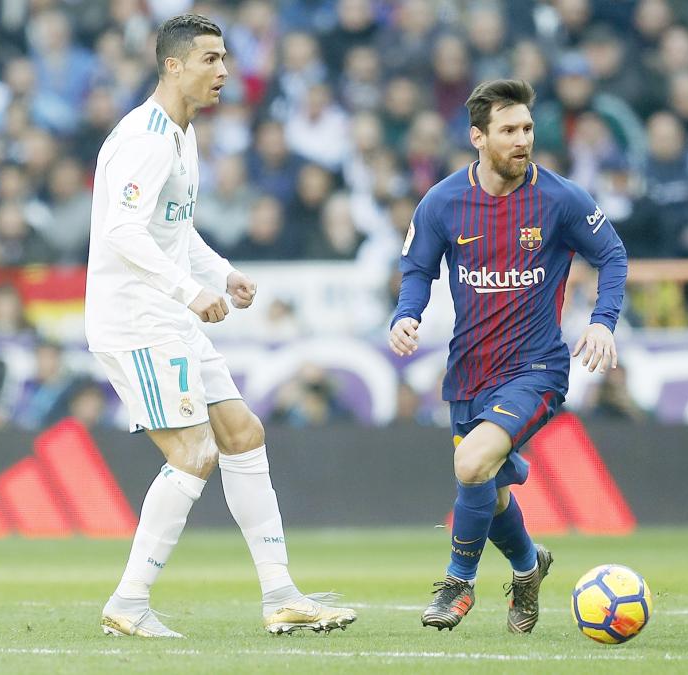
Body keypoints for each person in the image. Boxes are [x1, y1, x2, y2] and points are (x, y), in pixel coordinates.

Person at [85, 15, 355, 639]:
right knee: (193, 452)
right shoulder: (146, 139)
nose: (224, 72)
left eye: (226, 59)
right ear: (173, 65)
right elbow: (123, 232)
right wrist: (189, 289)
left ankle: (281, 594)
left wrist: (221, 272)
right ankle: (128, 602)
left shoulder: (184, 135)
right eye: (210, 59)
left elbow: (172, 227)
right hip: (136, 318)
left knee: (241, 432)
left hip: (167, 313)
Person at [388, 79, 627, 633]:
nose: (522, 140)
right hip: (469, 373)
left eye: (527, 129)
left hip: (536, 369)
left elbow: (611, 255)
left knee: (471, 464)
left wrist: (602, 321)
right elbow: (418, 269)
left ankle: (458, 582)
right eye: (509, 131)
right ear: (478, 137)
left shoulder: (561, 198)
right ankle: (528, 566)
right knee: (488, 492)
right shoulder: (443, 202)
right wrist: (407, 313)